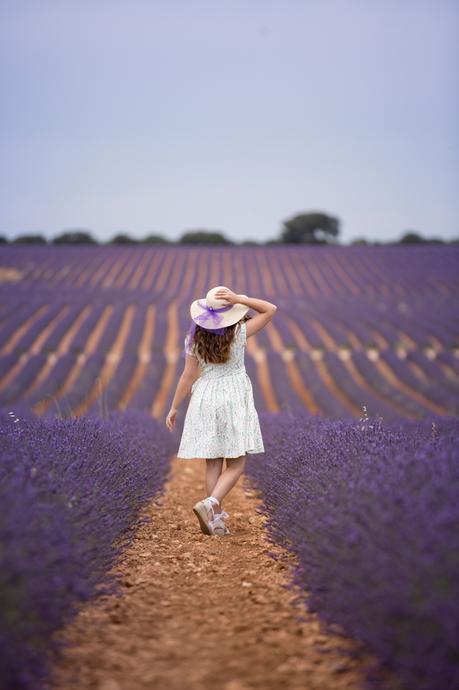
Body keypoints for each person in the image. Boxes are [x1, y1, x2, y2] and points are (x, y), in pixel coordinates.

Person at [165, 286, 277, 536]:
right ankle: (210, 504)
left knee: (213, 462)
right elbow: (271, 309)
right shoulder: (239, 331)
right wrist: (240, 299)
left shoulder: (194, 339)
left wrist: (173, 407)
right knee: (237, 463)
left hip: (205, 396)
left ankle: (214, 520)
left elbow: (187, 375)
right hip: (233, 395)